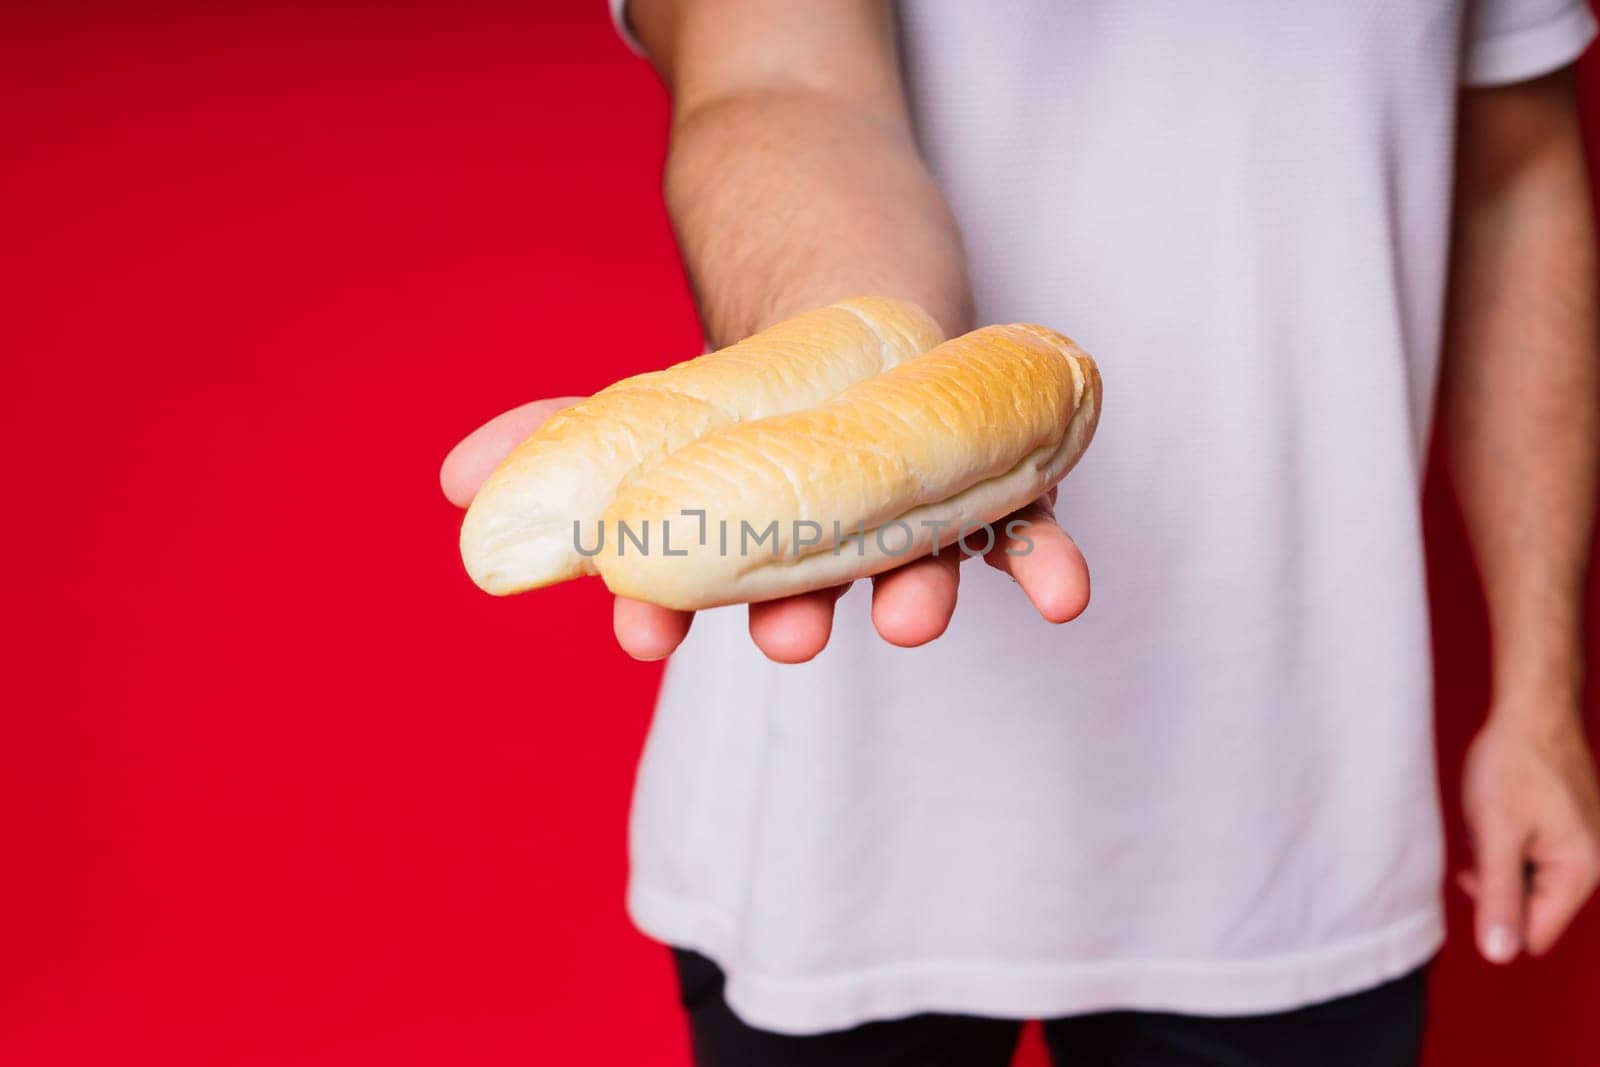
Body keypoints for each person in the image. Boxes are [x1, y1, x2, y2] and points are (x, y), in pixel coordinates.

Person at [440, 1, 1600, 1063]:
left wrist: (1540, 688)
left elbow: (1517, 167)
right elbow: (779, 78)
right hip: (837, 805)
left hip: (1293, 783)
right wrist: (863, 360)